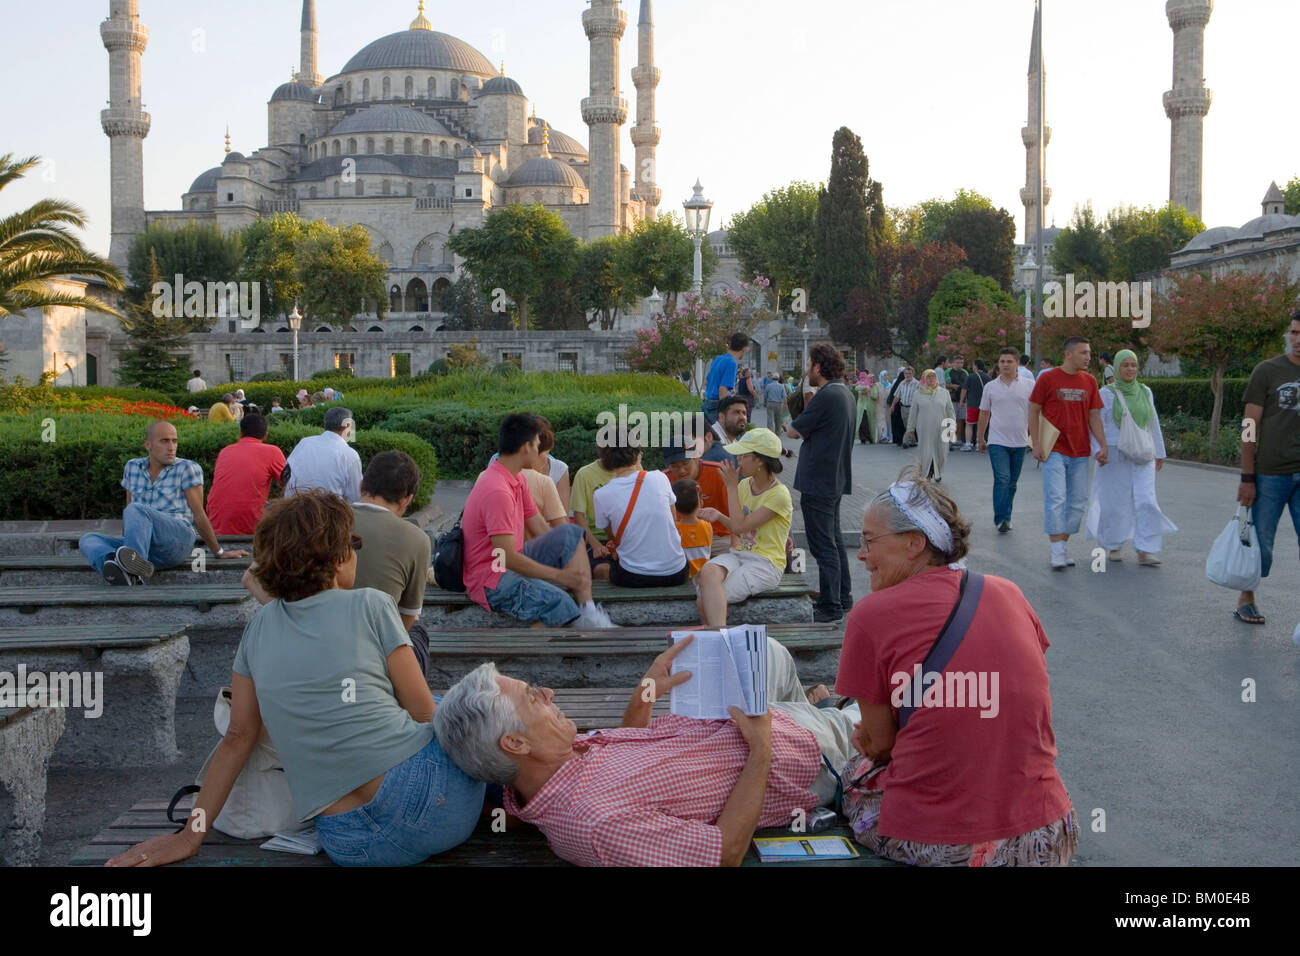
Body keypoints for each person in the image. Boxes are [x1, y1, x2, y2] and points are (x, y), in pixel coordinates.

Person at [108, 490, 483, 868]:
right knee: (470, 708)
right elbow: (422, 714)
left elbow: (238, 738)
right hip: (426, 806)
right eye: (355, 543)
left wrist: (189, 836)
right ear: (339, 559)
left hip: (350, 841)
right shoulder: (371, 603)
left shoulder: (257, 629)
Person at [433, 633, 860, 867]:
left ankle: (818, 703)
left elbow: (626, 760)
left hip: (742, 719)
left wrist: (648, 688)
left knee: (766, 651)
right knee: (888, 711)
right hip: (800, 753)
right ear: (515, 744)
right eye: (532, 698)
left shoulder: (556, 760)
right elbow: (724, 852)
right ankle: (831, 710)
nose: (547, 691)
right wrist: (762, 748)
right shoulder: (594, 825)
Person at [833, 470, 1078, 867]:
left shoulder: (870, 616)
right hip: (1045, 833)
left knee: (851, 773)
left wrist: (872, 736)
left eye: (868, 541)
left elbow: (881, 746)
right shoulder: (1009, 592)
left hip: (942, 843)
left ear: (915, 543)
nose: (861, 554)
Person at [465, 413, 613, 628]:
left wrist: (570, 556)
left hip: (510, 558)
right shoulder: (497, 490)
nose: (542, 452)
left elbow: (544, 530)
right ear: (526, 447)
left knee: (570, 533)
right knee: (561, 604)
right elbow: (506, 558)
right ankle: (528, 654)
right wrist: (561, 576)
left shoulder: (516, 478)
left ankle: (589, 610)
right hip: (492, 577)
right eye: (537, 445)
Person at [78, 420, 249, 586]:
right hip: (145, 547)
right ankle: (123, 568)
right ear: (148, 445)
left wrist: (219, 552)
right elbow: (129, 516)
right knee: (88, 539)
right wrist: (129, 542)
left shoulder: (187, 468)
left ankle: (130, 567)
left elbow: (199, 514)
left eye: (174, 441)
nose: (171, 447)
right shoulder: (132, 467)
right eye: (164, 441)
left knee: (135, 509)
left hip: (177, 541)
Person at [1234, 310, 1300, 625]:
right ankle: (1246, 597)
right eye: (1294, 332)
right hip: (1270, 474)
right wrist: (1248, 476)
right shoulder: (1268, 371)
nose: (1297, 340)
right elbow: (1249, 425)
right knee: (1262, 545)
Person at [785, 343, 856, 624]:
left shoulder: (827, 395)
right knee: (834, 541)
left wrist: (799, 411)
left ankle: (829, 604)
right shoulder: (845, 393)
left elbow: (793, 431)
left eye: (809, 365)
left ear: (818, 367)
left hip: (819, 480)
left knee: (823, 545)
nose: (806, 371)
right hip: (835, 478)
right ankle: (843, 595)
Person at [1086, 350, 1178, 566]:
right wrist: (1097, 450)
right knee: (1114, 502)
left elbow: (1152, 422)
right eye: (1125, 365)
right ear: (1117, 368)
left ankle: (1146, 549)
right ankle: (1114, 544)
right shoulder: (1106, 393)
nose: (1129, 369)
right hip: (1114, 455)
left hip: (1143, 454)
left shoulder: (1145, 391)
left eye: (1133, 365)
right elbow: (1095, 423)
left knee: (1146, 500)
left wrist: (1160, 452)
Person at [695, 429, 792, 627]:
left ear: (760, 461)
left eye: (744, 455)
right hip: (740, 554)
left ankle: (720, 642)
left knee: (704, 600)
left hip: (766, 563)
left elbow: (740, 525)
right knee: (709, 571)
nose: (738, 460)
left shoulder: (779, 495)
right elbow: (739, 529)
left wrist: (730, 486)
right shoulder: (745, 484)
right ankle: (720, 639)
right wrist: (720, 516)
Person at [1029, 336, 1108, 569]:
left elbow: (1094, 415)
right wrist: (1036, 443)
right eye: (1083, 352)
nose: (1088, 357)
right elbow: (1034, 410)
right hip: (1054, 449)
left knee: (1078, 502)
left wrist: (1102, 445)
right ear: (1068, 354)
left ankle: (1062, 545)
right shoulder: (1048, 378)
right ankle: (1057, 550)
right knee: (1056, 498)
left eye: (1089, 353)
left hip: (1081, 450)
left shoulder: (1090, 381)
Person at [594, 441, 688, 588]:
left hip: (633, 577)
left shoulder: (601, 495)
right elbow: (673, 520)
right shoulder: (660, 478)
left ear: (606, 460)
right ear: (638, 455)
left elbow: (612, 536)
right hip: (676, 573)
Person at [978, 347, 1035, 533]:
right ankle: (1000, 519)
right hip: (997, 441)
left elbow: (1035, 413)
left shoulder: (1029, 385)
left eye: (1009, 361)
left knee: (1012, 483)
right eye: (1002, 361)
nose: (1005, 365)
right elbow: (984, 413)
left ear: (1017, 363)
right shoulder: (990, 387)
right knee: (1002, 479)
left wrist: (1035, 439)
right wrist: (980, 438)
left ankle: (1007, 516)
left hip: (1019, 442)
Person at [206, 413, 286, 535]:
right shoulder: (273, 452)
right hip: (251, 527)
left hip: (215, 524)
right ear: (265, 435)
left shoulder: (225, 451)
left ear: (240, 433)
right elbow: (289, 483)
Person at [663, 441, 732, 554]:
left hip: (717, 538)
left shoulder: (719, 473)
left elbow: (737, 517)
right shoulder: (664, 479)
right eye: (674, 466)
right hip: (680, 537)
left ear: (696, 457)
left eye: (685, 463)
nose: (681, 470)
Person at [283, 406, 363, 503]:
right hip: (326, 514)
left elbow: (286, 474)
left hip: (291, 508)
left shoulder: (305, 443)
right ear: (346, 426)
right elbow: (355, 497)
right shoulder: (350, 454)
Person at [905, 369, 955, 483]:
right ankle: (928, 473)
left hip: (941, 427)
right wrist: (910, 428)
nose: (931, 379)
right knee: (927, 452)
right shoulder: (918, 394)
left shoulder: (944, 393)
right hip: (924, 428)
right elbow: (913, 413)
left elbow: (950, 411)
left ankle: (938, 471)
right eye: (928, 377)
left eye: (933, 377)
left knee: (941, 453)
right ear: (924, 379)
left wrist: (951, 427)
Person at [570, 456, 615, 580]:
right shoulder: (584, 474)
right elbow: (578, 516)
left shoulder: (633, 470)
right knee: (603, 570)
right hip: (595, 538)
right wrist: (595, 545)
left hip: (624, 538)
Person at [702, 332, 750, 427]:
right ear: (744, 348)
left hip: (707, 404)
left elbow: (706, 382)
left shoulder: (718, 359)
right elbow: (722, 390)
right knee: (727, 437)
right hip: (716, 406)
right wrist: (726, 412)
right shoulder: (732, 363)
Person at [672, 478, 713, 577]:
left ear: (675, 507)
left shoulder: (674, 529)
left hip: (685, 577)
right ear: (700, 502)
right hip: (703, 576)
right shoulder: (707, 526)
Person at [702, 396, 747, 466]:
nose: (742, 417)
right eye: (736, 412)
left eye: (744, 413)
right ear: (721, 417)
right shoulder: (713, 441)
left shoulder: (734, 440)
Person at [958, 358, 990, 451]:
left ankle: (968, 444)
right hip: (984, 405)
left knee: (969, 424)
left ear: (975, 366)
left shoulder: (970, 377)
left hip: (972, 404)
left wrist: (961, 401)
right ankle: (978, 443)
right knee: (981, 424)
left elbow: (964, 390)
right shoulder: (988, 377)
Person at [889, 367, 920, 448]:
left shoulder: (917, 384)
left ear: (913, 374)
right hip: (903, 407)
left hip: (913, 407)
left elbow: (921, 396)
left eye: (909, 373)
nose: (908, 375)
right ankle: (912, 441)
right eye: (906, 373)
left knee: (910, 424)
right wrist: (892, 405)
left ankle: (905, 442)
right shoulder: (902, 383)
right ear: (904, 374)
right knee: (907, 425)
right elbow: (897, 396)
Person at [945, 355, 968, 446]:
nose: (960, 365)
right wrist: (952, 386)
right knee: (951, 419)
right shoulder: (948, 372)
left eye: (961, 363)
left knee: (961, 420)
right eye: (958, 363)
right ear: (953, 363)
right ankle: (949, 439)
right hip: (951, 398)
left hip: (963, 399)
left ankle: (959, 439)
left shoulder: (965, 372)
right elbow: (942, 384)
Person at [853, 372, 876, 444]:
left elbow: (871, 391)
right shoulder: (861, 383)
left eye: (864, 377)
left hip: (868, 406)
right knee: (861, 422)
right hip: (861, 407)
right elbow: (857, 388)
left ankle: (868, 437)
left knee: (866, 423)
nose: (863, 379)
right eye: (861, 377)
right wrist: (865, 388)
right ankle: (864, 438)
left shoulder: (870, 384)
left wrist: (863, 390)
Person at [877, 370, 893, 442]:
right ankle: (881, 437)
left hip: (887, 406)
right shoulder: (877, 385)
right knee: (880, 421)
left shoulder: (890, 385)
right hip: (879, 405)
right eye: (884, 375)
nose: (886, 377)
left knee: (888, 421)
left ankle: (888, 436)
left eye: (887, 375)